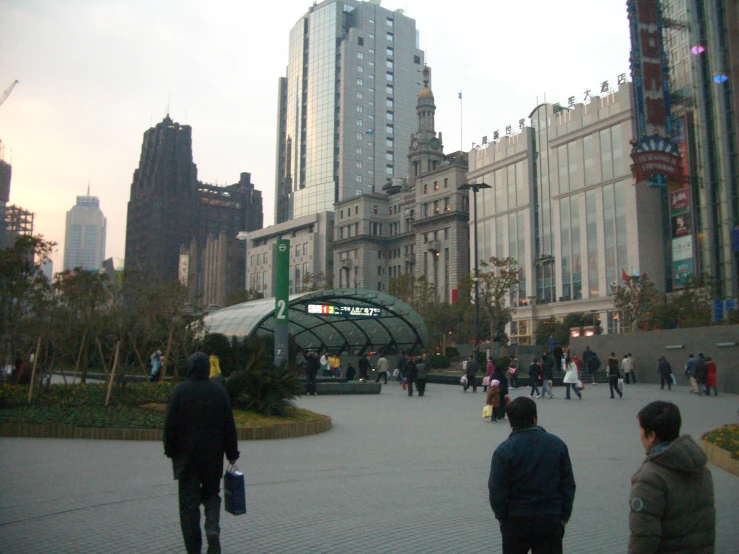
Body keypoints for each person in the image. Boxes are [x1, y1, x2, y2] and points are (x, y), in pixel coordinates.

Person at [164, 352, 240, 554]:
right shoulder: (219, 392)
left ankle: (193, 549)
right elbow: (228, 426)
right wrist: (232, 453)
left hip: (187, 460)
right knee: (212, 496)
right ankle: (212, 529)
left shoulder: (180, 392)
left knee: (189, 506)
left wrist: (170, 451)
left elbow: (170, 426)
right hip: (212, 459)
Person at [489, 397, 576, 554]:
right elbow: (568, 484)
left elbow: (497, 490)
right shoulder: (557, 445)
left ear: (510, 421)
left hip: (515, 519)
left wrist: (502, 517)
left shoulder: (504, 450)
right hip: (550, 518)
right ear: (535, 417)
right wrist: (564, 516)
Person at [629, 401, 715, 553]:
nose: (639, 434)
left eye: (640, 429)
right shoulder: (701, 468)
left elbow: (644, 537)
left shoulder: (649, 479)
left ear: (652, 436)